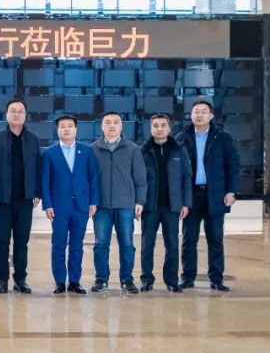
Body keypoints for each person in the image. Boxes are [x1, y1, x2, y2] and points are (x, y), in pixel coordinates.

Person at [177, 99, 240, 292]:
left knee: (215, 239)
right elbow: (175, 170)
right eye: (196, 111)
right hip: (191, 197)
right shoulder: (181, 137)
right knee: (189, 239)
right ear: (191, 115)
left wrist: (231, 191)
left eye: (204, 111)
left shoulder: (223, 137)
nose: (199, 115)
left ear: (211, 115)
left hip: (215, 195)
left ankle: (216, 279)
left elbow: (233, 166)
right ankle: (188, 278)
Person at [0, 99, 42, 295]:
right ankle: (2, 280)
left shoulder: (34, 139)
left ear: (25, 115)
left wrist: (37, 192)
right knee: (2, 240)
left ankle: (20, 280)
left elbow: (38, 168)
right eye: (12, 111)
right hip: (2, 199)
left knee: (22, 241)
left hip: (25, 199)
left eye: (20, 111)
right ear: (6, 115)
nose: (16, 114)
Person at [90, 111, 147, 294]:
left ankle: (127, 280)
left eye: (116, 122)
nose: (112, 125)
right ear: (102, 126)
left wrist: (140, 201)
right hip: (101, 206)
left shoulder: (132, 149)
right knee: (101, 244)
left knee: (127, 245)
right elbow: (88, 179)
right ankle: (101, 279)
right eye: (108, 122)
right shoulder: (93, 149)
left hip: (125, 205)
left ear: (122, 126)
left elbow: (141, 178)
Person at [41, 115, 99, 295]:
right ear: (57, 129)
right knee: (58, 244)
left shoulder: (87, 151)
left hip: (81, 206)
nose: (66, 129)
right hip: (58, 207)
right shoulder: (49, 153)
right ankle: (59, 281)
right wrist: (47, 204)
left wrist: (93, 201)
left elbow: (93, 177)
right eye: (62, 126)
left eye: (70, 126)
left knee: (77, 245)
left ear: (76, 129)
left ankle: (74, 281)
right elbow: (45, 181)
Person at [140, 113, 192, 293]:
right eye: (155, 125)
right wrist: (138, 202)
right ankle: (147, 280)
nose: (159, 129)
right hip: (149, 206)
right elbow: (137, 179)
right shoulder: (143, 151)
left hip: (171, 206)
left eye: (163, 125)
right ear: (150, 128)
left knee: (172, 245)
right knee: (147, 245)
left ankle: (171, 281)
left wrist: (186, 203)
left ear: (169, 128)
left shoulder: (179, 150)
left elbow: (186, 178)